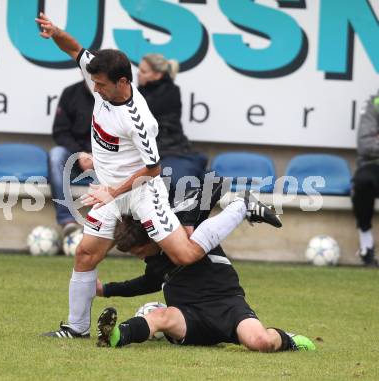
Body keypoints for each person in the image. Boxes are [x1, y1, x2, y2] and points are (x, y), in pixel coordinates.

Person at [35, 13, 282, 340]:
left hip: (141, 192)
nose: (95, 88)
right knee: (85, 253)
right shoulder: (102, 76)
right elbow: (76, 50)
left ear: (123, 83)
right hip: (109, 191)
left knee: (185, 255)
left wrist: (113, 190)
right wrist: (55, 33)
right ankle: (75, 327)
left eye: (101, 85)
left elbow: (152, 169)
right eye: (94, 82)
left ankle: (240, 207)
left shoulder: (139, 122)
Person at [94, 195, 315, 352]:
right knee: (161, 316)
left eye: (140, 251)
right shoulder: (154, 262)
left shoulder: (188, 233)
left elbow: (211, 186)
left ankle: (288, 340)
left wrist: (193, 217)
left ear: (152, 237)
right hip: (189, 316)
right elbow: (145, 284)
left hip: (227, 306)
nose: (140, 256)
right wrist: (106, 290)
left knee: (260, 342)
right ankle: (116, 336)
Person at [137, 54, 207, 202]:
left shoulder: (170, 92)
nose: (138, 73)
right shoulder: (139, 92)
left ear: (157, 75)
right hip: (152, 151)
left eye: (143, 71)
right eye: (139, 70)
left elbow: (150, 123)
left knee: (173, 179)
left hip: (171, 150)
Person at [48, 81, 95, 235]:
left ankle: (103, 227)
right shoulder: (70, 93)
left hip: (106, 158)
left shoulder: (116, 97)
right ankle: (66, 219)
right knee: (55, 155)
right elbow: (60, 131)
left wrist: (98, 157)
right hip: (74, 155)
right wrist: (80, 153)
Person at [351, 92, 379, 267]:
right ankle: (366, 246)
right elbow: (366, 145)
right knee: (362, 183)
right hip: (373, 164)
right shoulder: (374, 102)